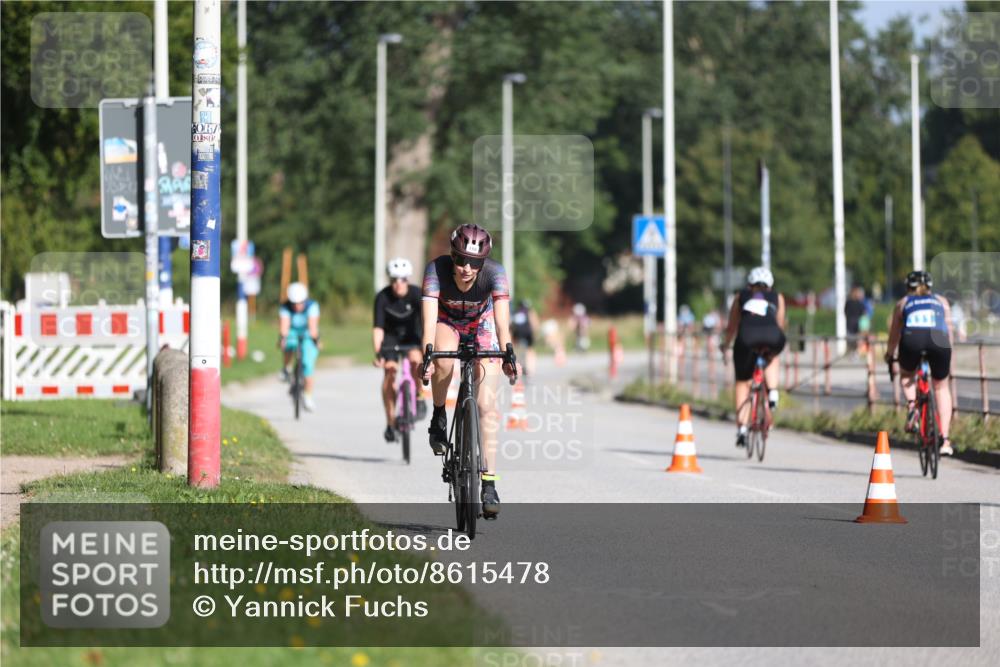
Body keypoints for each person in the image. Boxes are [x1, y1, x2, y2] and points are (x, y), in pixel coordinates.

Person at [421, 223, 516, 518]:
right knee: (444, 361)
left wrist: (509, 353)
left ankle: (488, 484)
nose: (466, 268)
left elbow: (502, 324)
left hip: (482, 323)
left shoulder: (495, 274)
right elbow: (428, 322)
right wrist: (427, 357)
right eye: (461, 259)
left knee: (488, 406)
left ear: (483, 262)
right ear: (452, 256)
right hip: (447, 322)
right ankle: (439, 413)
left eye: (474, 262)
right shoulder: (435, 271)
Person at [884, 270, 954, 456]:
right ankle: (945, 439)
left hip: (912, 340)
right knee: (941, 387)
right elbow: (949, 330)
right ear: (930, 287)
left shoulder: (903, 303)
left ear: (908, 287)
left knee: (907, 374)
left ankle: (913, 407)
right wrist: (948, 354)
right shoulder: (941, 301)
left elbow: (894, 336)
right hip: (940, 341)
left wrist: (890, 355)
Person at [720, 267, 786, 448]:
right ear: (770, 286)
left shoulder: (740, 296)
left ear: (749, 285)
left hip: (746, 337)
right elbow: (780, 324)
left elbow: (732, 327)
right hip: (773, 336)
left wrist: (725, 345)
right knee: (772, 354)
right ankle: (772, 392)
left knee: (743, 382)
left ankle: (742, 428)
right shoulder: (777, 297)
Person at [373, 258, 425, 443]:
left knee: (416, 362)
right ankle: (390, 422)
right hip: (390, 339)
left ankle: (419, 396)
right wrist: (378, 353)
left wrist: (428, 347)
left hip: (413, 337)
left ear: (408, 279)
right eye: (394, 279)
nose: (398, 284)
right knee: (390, 372)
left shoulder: (417, 294)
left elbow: (428, 322)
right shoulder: (382, 297)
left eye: (402, 279)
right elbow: (378, 328)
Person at [279, 282, 320, 411]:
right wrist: (283, 338)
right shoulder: (285, 307)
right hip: (292, 331)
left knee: (308, 364)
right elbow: (284, 327)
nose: (297, 306)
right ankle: (287, 368)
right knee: (288, 345)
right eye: (294, 303)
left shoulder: (312, 306)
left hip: (308, 333)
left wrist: (316, 341)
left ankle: (308, 396)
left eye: (300, 303)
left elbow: (313, 327)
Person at [510, 298, 540, 377]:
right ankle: (530, 370)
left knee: (517, 350)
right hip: (528, 334)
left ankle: (518, 366)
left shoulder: (516, 312)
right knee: (530, 350)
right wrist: (535, 333)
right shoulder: (530, 312)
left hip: (518, 334)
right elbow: (535, 323)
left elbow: (512, 325)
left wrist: (513, 336)